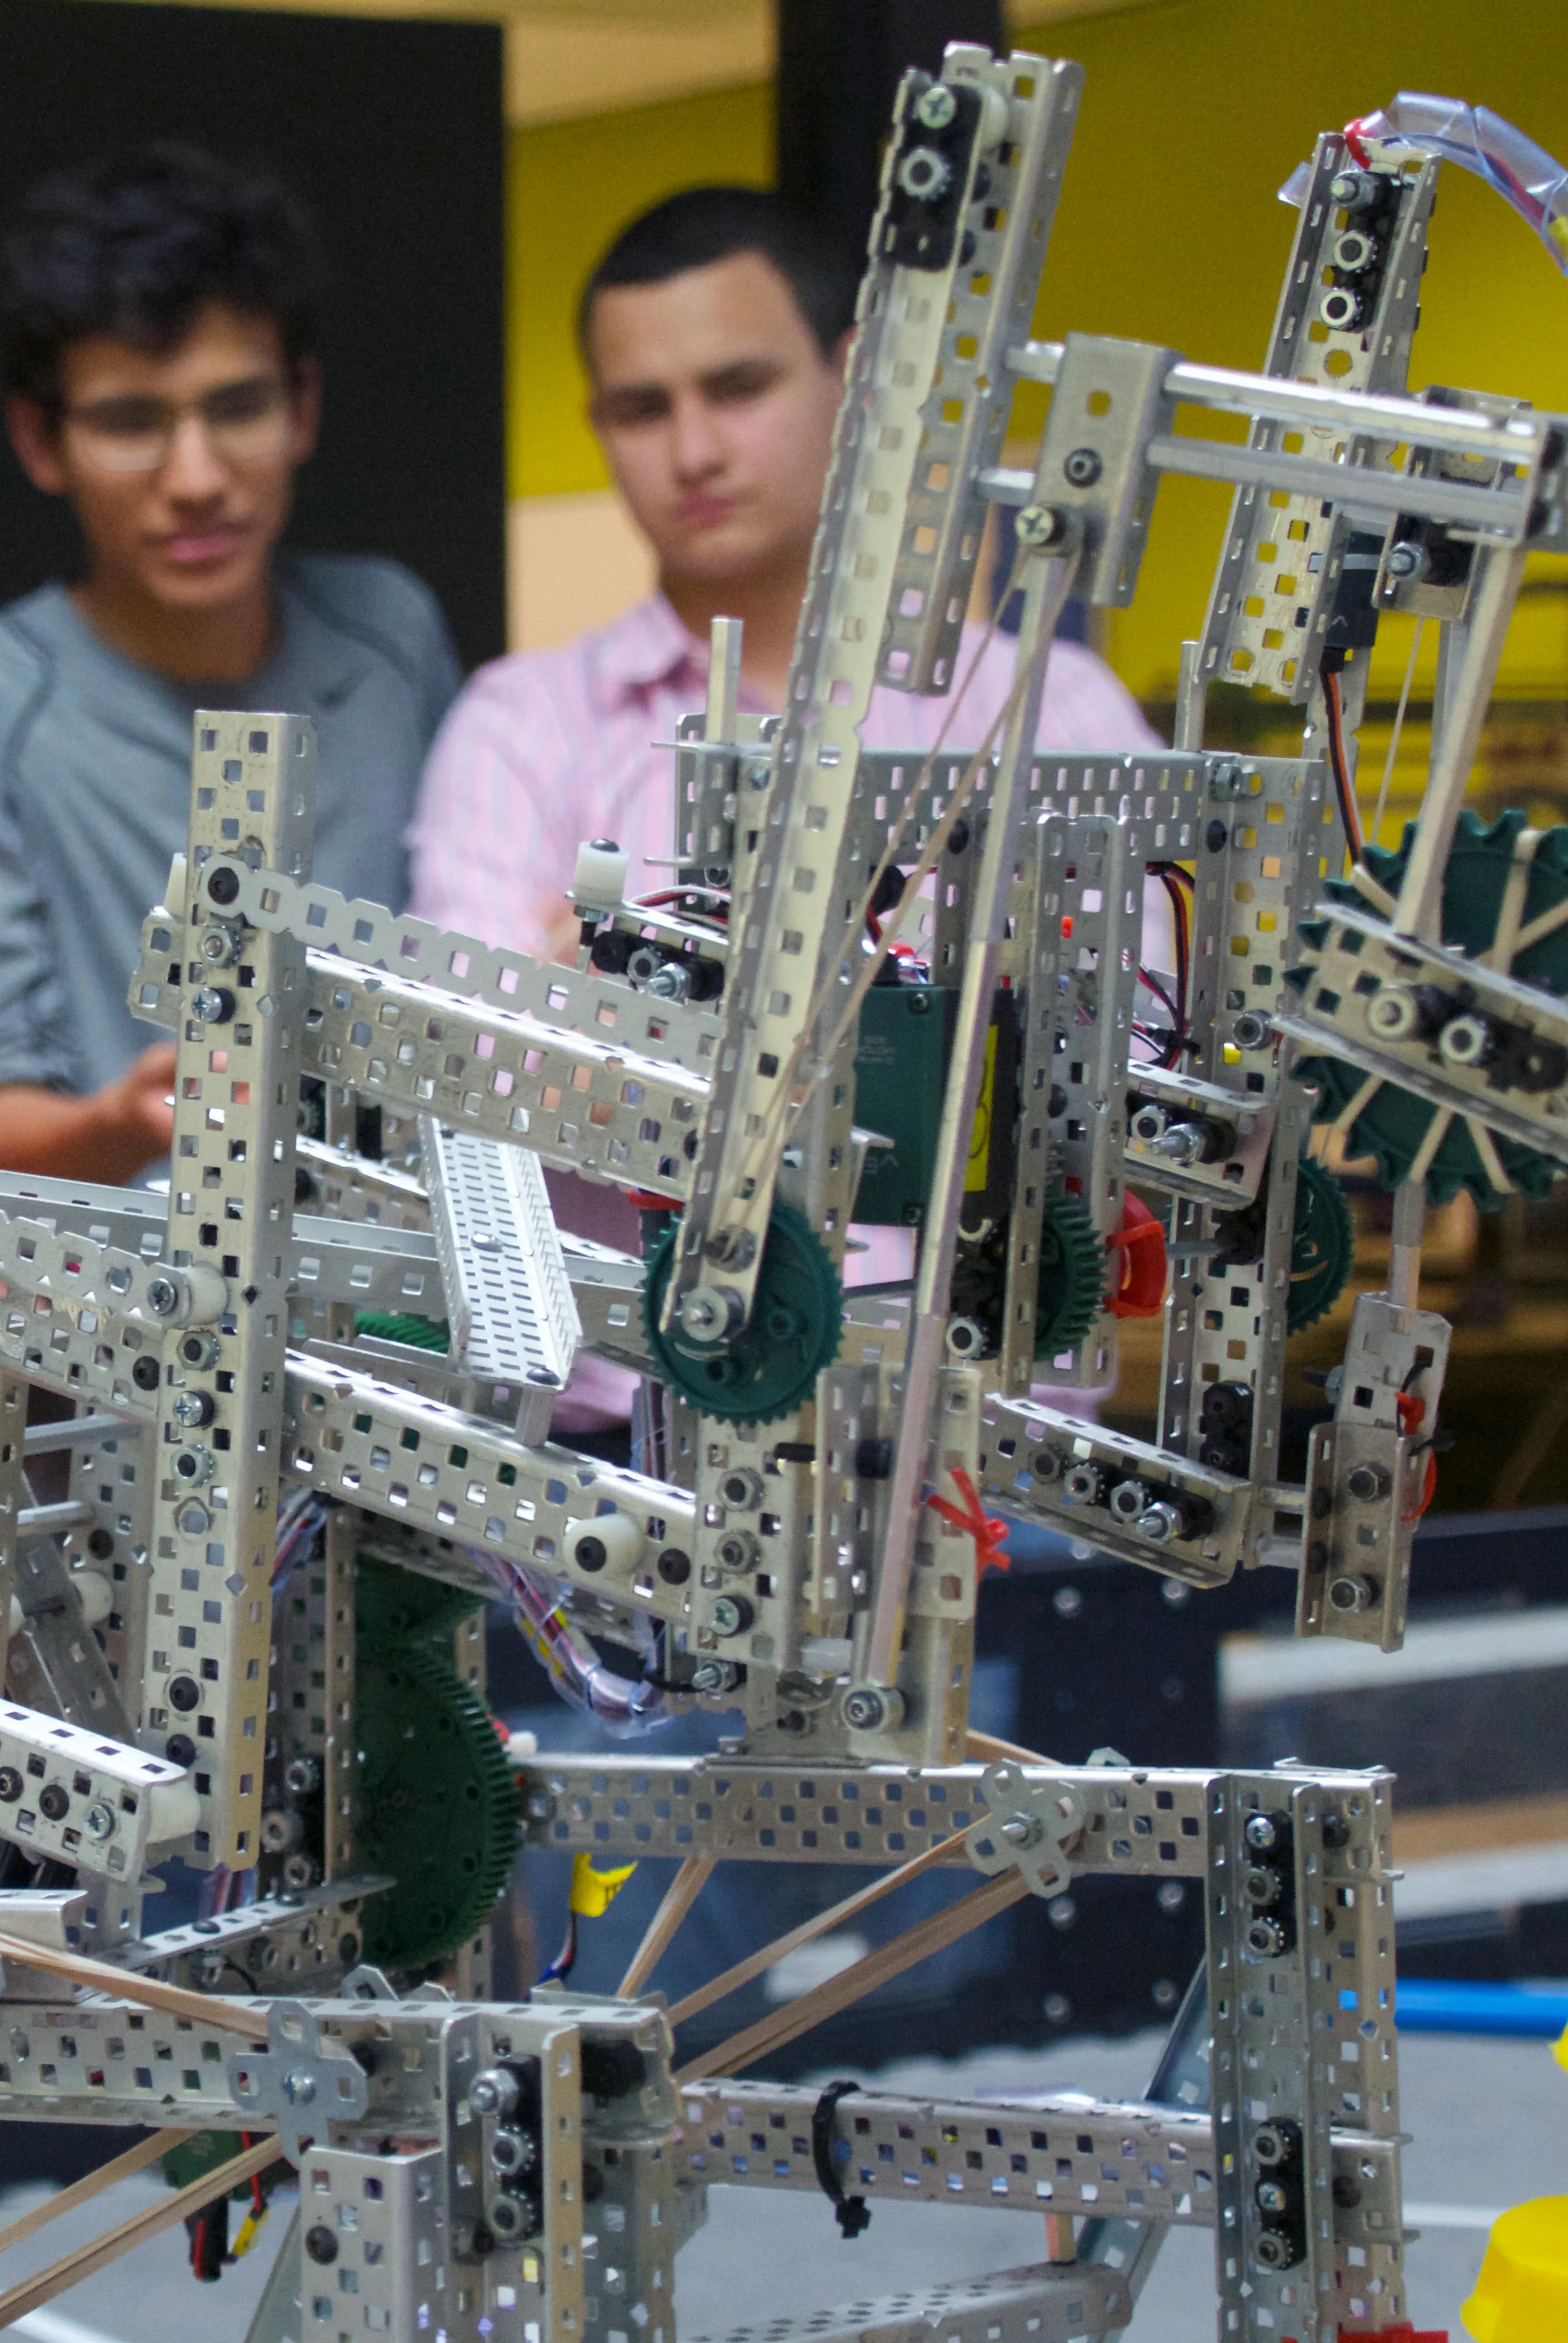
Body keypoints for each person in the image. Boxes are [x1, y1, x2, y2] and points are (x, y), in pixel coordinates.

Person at [404, 185, 1161, 1433]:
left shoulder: (1043, 711)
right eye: (642, 409)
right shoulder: (525, 722)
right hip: (632, 1448)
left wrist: (621, 1017)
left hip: (972, 1451)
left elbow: (1132, 1069)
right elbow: (485, 1068)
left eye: (738, 386)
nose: (692, 451)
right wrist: (936, 1024)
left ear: (855, 378)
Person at [0, 142, 460, 1185]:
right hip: (113, 1311)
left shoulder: (389, 636)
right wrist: (132, 1117)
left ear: (303, 407)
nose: (195, 479)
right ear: (40, 442)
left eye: (237, 410)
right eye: (130, 423)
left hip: (392, 1289)